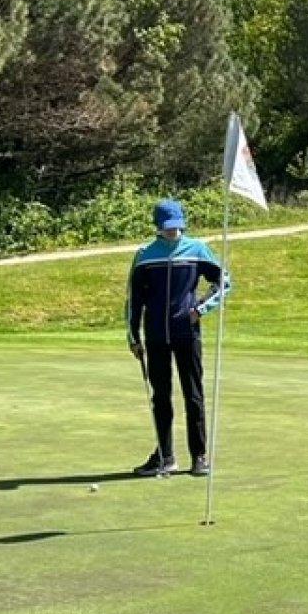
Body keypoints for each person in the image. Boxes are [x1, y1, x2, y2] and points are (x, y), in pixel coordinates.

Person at [126, 199, 230, 477]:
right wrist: (133, 336)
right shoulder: (145, 254)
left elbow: (224, 282)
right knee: (161, 397)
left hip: (187, 333)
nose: (173, 232)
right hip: (156, 335)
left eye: (176, 227)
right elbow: (134, 300)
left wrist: (201, 309)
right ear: (157, 227)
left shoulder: (197, 249)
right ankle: (165, 456)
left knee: (193, 395)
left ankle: (199, 456)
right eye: (167, 227)